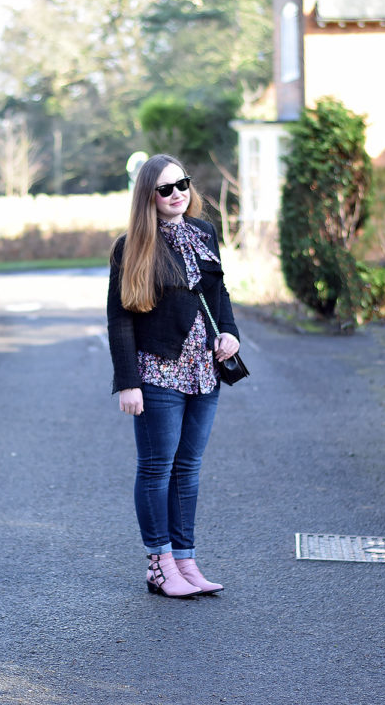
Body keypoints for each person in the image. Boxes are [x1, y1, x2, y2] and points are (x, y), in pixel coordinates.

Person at [107, 154, 241, 598]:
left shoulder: (204, 232)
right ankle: (160, 565)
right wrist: (128, 382)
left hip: (205, 371)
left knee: (189, 468)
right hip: (157, 371)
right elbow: (120, 318)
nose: (177, 193)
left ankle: (185, 561)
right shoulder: (131, 246)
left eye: (181, 183)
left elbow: (218, 292)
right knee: (157, 467)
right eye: (165, 188)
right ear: (148, 196)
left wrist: (230, 334)